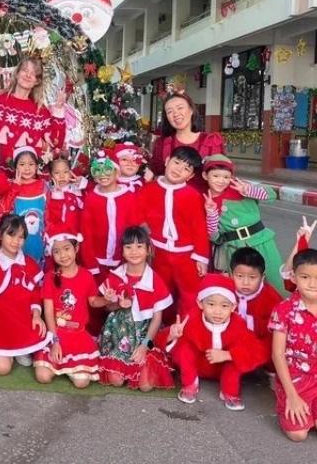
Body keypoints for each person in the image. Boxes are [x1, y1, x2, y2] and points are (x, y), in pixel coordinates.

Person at [269, 249, 317, 443]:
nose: (313, 284)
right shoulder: (284, 310)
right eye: (305, 277)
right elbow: (277, 354)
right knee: (298, 434)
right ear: (294, 277)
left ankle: (316, 411)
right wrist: (292, 396)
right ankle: (295, 408)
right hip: (295, 382)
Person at [161, 274, 268, 411]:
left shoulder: (238, 325)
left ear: (233, 307)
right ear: (200, 303)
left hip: (223, 369)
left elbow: (259, 350)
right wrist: (171, 334)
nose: (217, 311)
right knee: (184, 347)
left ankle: (229, 392)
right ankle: (190, 384)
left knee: (239, 351)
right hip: (199, 366)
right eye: (211, 304)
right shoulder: (191, 319)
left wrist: (229, 355)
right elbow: (160, 340)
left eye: (224, 306)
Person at [97, 226, 174, 391]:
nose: (134, 251)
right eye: (128, 247)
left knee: (145, 385)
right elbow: (107, 309)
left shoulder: (154, 280)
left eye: (139, 246)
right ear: (123, 251)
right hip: (118, 336)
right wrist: (115, 303)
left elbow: (157, 318)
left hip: (144, 334)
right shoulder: (116, 276)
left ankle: (142, 363)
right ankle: (122, 366)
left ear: (148, 250)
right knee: (115, 380)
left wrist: (145, 345)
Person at [139, 146, 209, 318]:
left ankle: (187, 330)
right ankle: (162, 330)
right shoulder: (149, 189)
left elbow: (199, 227)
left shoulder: (193, 195)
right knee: (160, 291)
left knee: (190, 294)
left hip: (186, 254)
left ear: (191, 176)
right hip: (158, 251)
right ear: (167, 160)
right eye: (177, 163)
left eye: (186, 169)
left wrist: (201, 257)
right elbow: (139, 215)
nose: (179, 170)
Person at [0, 215, 50, 375]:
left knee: (39, 343)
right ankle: (10, 351)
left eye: (21, 237)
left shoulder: (29, 263)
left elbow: (35, 293)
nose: (16, 241)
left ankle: (20, 349)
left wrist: (36, 315)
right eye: (11, 234)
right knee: (3, 369)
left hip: (23, 320)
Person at [0, 57, 66, 166]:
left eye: (33, 73)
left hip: (25, 178)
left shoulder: (41, 111)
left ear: (37, 81)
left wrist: (58, 110)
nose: (28, 75)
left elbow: (56, 143)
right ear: (17, 73)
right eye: (25, 70)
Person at [203, 154, 284, 291]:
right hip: (234, 249)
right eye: (216, 176)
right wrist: (211, 213)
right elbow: (214, 236)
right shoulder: (207, 200)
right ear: (205, 176)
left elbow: (271, 195)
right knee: (243, 289)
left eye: (226, 177)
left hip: (262, 242)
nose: (221, 181)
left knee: (277, 282)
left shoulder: (240, 187)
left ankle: (285, 311)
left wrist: (248, 190)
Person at [34, 231, 101, 388]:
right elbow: (48, 312)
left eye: (66, 249)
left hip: (78, 335)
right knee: (43, 376)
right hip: (57, 333)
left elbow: (93, 301)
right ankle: (60, 365)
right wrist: (55, 341)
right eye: (56, 251)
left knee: (81, 383)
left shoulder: (86, 276)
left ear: (76, 248)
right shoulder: (50, 277)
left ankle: (68, 367)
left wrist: (108, 299)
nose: (62, 255)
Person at [80, 151, 140, 281]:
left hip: (123, 259)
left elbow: (134, 228)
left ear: (117, 173)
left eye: (107, 169)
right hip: (98, 259)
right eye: (97, 170)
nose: (103, 174)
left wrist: (132, 257)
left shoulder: (129, 196)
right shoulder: (91, 198)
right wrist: (90, 263)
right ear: (94, 176)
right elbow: (86, 232)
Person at [147, 91, 223, 191]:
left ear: (191, 110)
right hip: (169, 201)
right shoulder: (162, 143)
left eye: (180, 108)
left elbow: (222, 175)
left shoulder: (211, 141)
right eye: (169, 111)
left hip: (203, 203)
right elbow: (156, 174)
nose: (175, 113)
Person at [0, 146, 49, 266]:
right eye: (22, 164)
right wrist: (15, 188)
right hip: (15, 241)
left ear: (37, 166)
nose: (27, 168)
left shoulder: (43, 186)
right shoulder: (10, 185)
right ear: (15, 167)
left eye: (31, 164)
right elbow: (2, 209)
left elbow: (50, 214)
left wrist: (49, 237)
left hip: (39, 240)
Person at [228, 247, 282, 357]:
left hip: (261, 346)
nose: (245, 282)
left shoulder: (271, 297)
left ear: (262, 277)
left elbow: (277, 328)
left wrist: (249, 322)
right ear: (231, 274)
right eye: (239, 276)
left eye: (252, 277)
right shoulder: (226, 292)